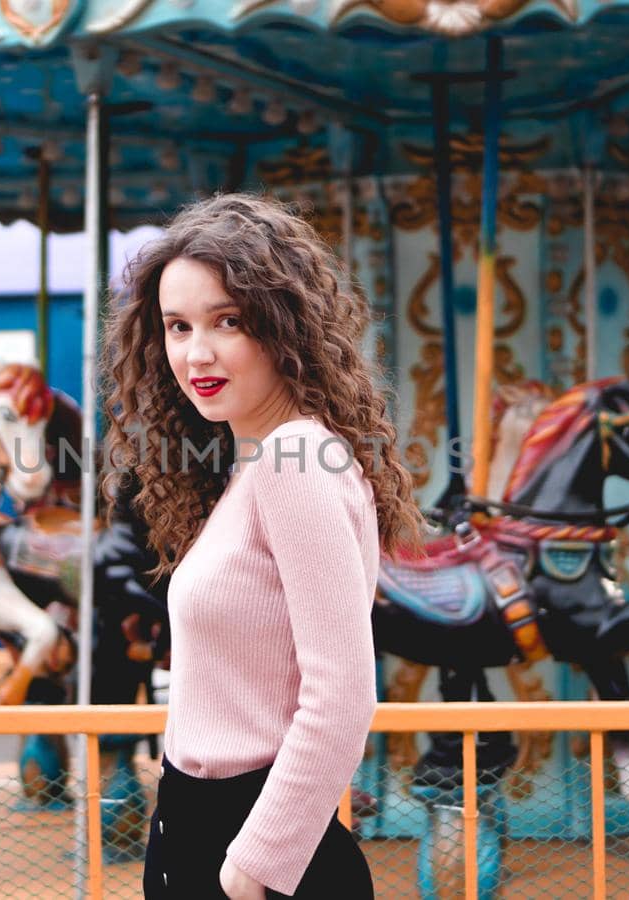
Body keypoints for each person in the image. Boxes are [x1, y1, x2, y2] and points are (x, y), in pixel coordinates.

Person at [104, 193, 422, 899]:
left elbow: (342, 693)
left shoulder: (295, 461)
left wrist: (254, 866)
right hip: (201, 826)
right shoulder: (255, 465)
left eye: (228, 321)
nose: (197, 352)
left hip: (250, 845)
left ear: (282, 326)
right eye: (177, 326)